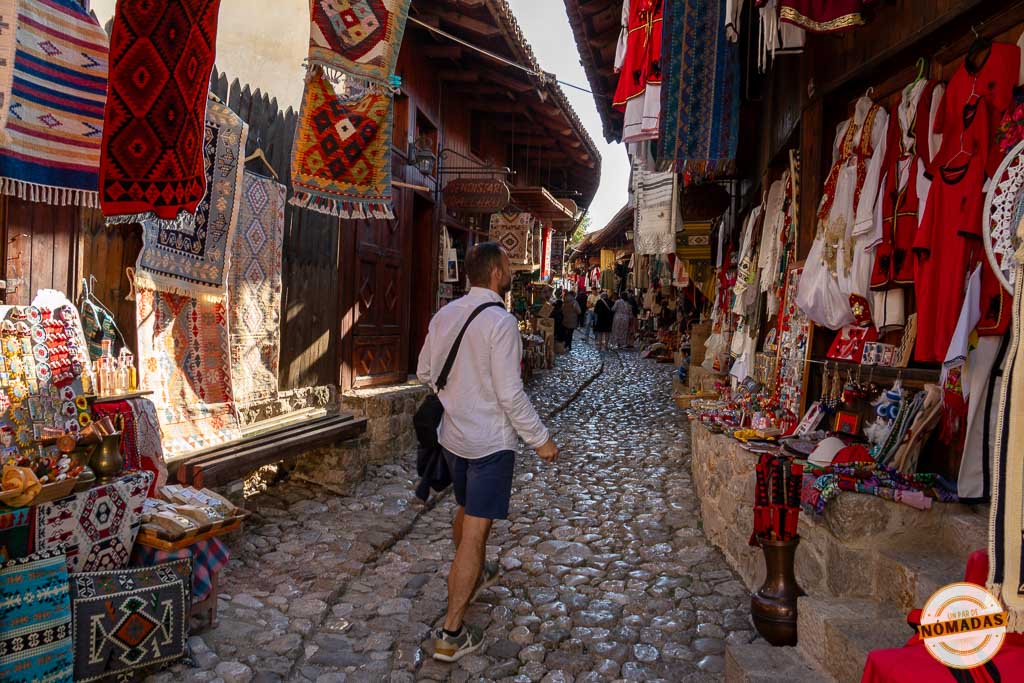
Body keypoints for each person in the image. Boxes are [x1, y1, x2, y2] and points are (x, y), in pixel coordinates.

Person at [416, 243, 560, 662]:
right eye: (510, 265)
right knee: (475, 532)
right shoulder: (501, 323)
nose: (512, 270)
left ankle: (474, 571)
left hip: (454, 440)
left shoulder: (444, 316)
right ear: (496, 272)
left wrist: (459, 395)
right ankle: (451, 632)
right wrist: (541, 440)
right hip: (490, 445)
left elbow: (426, 372)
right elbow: (511, 395)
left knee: (466, 510)